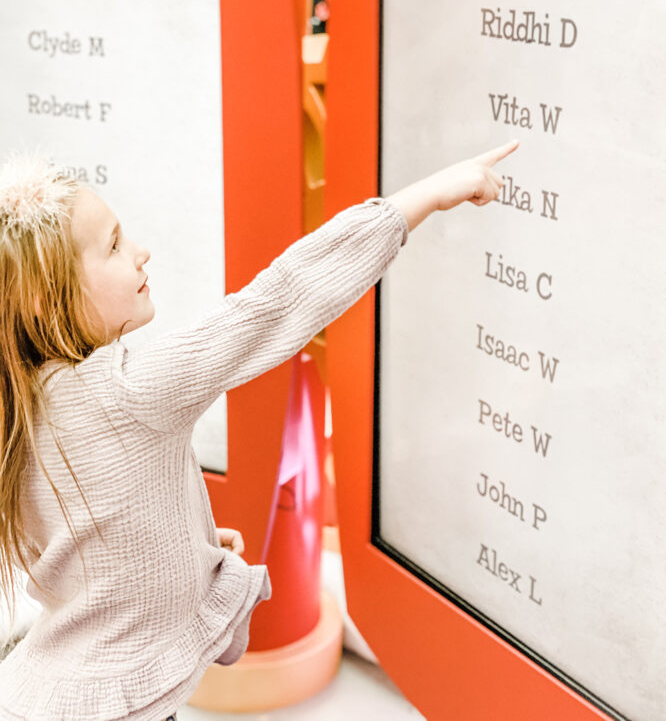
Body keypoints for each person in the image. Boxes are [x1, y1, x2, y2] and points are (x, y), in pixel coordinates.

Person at [0, 139, 518, 720]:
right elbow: (278, 301)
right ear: (46, 301)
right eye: (114, 246)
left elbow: (87, 542)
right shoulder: (131, 388)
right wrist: (424, 197)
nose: (141, 253)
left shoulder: (19, 406)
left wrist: (183, 545)